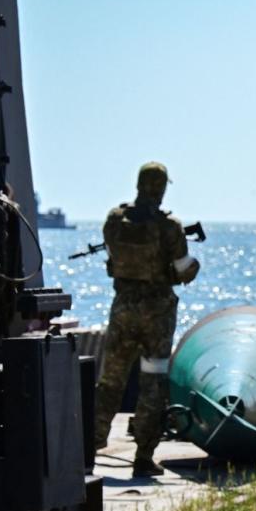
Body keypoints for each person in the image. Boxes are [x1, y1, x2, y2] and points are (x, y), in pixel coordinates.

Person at [94, 162, 200, 477]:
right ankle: (143, 455)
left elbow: (115, 260)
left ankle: (91, 443)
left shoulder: (115, 220)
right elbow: (184, 270)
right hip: (157, 315)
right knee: (152, 383)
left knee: (111, 379)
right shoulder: (170, 227)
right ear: (163, 187)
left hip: (123, 309)